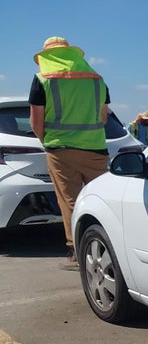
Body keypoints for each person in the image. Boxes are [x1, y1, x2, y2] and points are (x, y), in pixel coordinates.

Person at [29, 36, 111, 271]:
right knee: (100, 200)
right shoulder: (97, 80)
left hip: (61, 150)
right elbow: (103, 117)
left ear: (46, 57)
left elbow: (36, 122)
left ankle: (79, 253)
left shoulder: (42, 79)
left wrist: (51, 141)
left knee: (71, 202)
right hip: (96, 148)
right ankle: (108, 248)